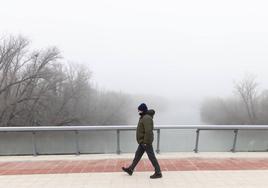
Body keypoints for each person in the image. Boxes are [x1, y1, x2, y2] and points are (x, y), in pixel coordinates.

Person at [122, 103, 162, 179]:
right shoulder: (143, 117)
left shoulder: (146, 118)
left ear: (143, 110)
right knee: (137, 156)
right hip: (142, 142)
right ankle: (130, 169)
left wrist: (146, 142)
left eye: (139, 110)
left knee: (151, 157)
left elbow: (148, 131)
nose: (138, 112)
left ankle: (158, 172)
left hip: (146, 142)